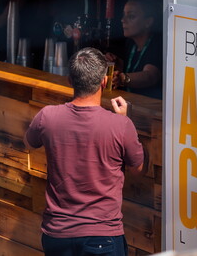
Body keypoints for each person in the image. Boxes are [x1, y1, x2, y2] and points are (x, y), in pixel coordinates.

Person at [25, 47, 145, 256]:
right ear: (104, 82)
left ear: (70, 80)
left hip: (57, 235)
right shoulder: (120, 125)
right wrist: (125, 120)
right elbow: (138, 169)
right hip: (102, 236)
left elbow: (29, 142)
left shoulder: (48, 117)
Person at [105, 0, 162, 99]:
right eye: (123, 15)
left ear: (148, 22)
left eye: (131, 16)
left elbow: (150, 76)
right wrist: (118, 65)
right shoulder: (131, 44)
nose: (123, 20)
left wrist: (123, 79)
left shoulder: (156, 44)